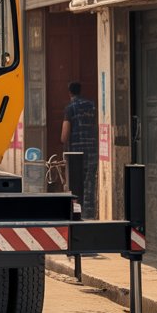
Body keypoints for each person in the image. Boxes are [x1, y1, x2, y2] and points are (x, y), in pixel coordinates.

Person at [61, 81, 97, 219]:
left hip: (76, 153)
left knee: (76, 184)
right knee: (90, 182)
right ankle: (90, 213)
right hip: (92, 150)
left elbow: (64, 135)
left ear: (70, 92)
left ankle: (78, 212)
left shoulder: (70, 108)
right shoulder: (92, 106)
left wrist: (63, 145)